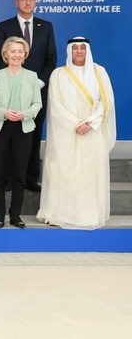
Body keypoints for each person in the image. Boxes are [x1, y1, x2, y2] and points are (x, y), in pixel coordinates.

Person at [37, 37, 116, 230]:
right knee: (63, 172)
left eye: (82, 48)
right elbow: (55, 105)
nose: (79, 51)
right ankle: (58, 214)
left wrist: (91, 123)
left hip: (92, 131)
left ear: (88, 50)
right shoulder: (58, 74)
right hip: (67, 133)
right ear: (69, 51)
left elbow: (107, 102)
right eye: (75, 48)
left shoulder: (100, 72)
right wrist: (76, 124)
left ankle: (88, 215)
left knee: (89, 174)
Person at [0, 0, 57, 192]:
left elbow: (51, 59)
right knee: (10, 136)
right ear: (16, 2)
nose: (28, 2)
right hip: (9, 93)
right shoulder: (4, 26)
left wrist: (39, 82)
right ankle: (9, 179)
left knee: (33, 135)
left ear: (36, 1)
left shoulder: (46, 27)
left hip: (37, 92)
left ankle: (30, 179)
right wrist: (12, 83)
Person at [0, 37, 42, 228]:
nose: (16, 55)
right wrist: (3, 113)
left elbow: (37, 103)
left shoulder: (32, 76)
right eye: (13, 51)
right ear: (5, 54)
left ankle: (15, 215)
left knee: (19, 173)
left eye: (20, 51)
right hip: (0, 127)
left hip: (23, 128)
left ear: (25, 55)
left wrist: (25, 114)